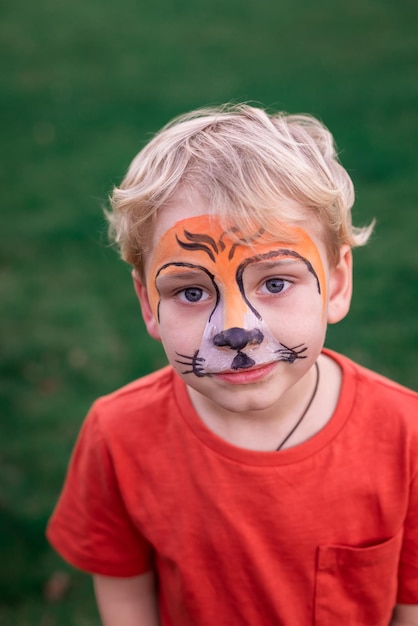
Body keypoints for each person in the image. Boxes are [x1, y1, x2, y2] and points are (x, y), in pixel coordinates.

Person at [47, 104, 418, 626]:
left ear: (335, 285)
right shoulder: (118, 436)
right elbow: (127, 600)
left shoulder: (406, 438)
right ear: (148, 304)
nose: (233, 329)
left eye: (275, 282)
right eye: (192, 291)